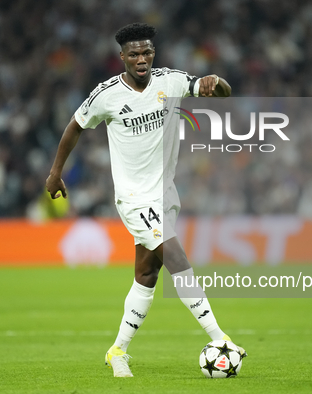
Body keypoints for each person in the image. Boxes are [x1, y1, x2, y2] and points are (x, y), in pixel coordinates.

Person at [46, 22, 245, 378]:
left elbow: (214, 90)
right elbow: (74, 126)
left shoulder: (170, 81)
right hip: (135, 197)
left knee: (146, 272)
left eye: (147, 52)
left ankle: (117, 350)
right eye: (134, 53)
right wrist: (55, 173)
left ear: (154, 53)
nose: (141, 59)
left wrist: (218, 82)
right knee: (176, 258)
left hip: (165, 191)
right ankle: (220, 338)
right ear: (121, 57)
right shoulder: (106, 95)